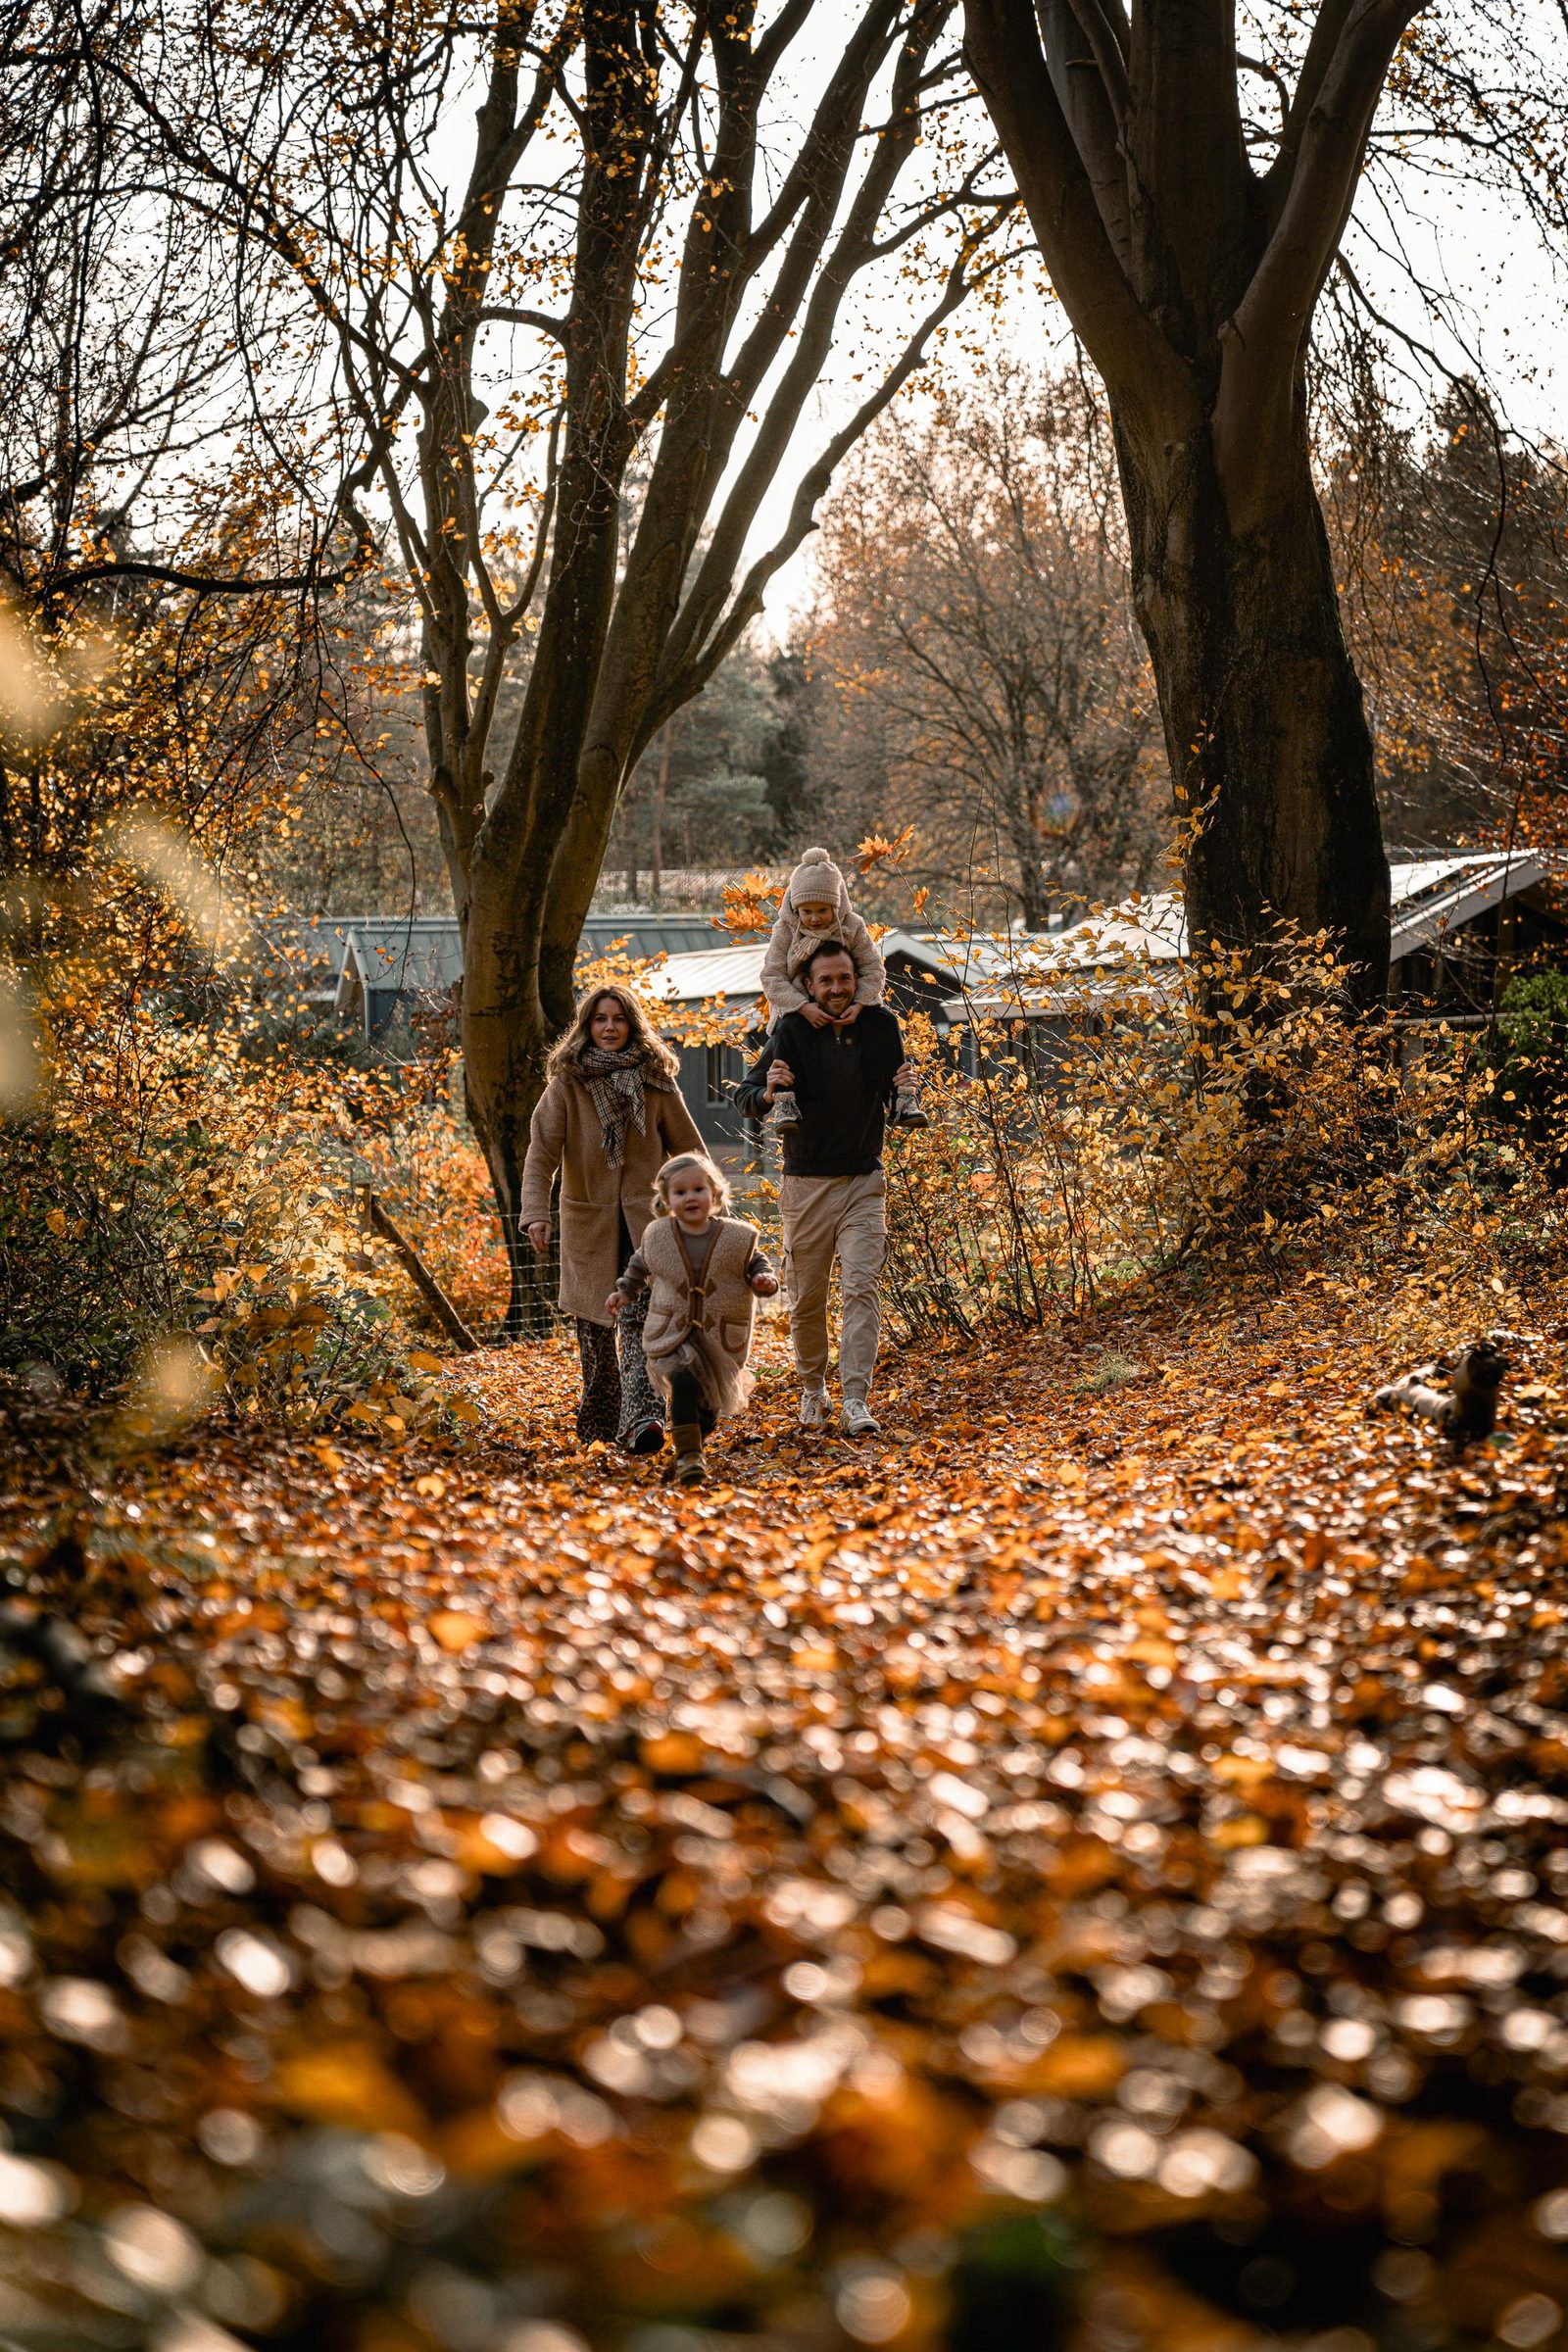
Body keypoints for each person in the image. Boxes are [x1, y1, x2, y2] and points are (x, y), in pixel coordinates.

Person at [736, 938, 914, 1437]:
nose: (837, 989)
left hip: (863, 1180)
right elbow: (744, 1097)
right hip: (805, 1185)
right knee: (807, 1298)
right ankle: (813, 1390)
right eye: (826, 981)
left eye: (844, 978)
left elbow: (898, 1102)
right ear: (808, 986)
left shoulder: (880, 1027)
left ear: (857, 980)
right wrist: (769, 1089)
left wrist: (902, 1085)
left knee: (862, 1288)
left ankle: (856, 1399)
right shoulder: (791, 1030)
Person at [520, 983, 703, 1452]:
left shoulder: (656, 1081)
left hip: (647, 1226)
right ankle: (601, 1423)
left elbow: (690, 1151)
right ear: (587, 1026)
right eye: (600, 1019)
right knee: (597, 1333)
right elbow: (542, 1153)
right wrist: (536, 1213)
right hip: (588, 1226)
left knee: (641, 1323)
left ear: (631, 1025)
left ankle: (644, 1420)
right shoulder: (567, 1083)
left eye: (618, 1019)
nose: (609, 1028)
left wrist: (702, 1209)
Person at [609, 1152, 778, 1488]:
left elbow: (756, 1262)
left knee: (707, 1404)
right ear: (667, 1200)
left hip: (717, 1334)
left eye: (698, 1189)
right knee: (683, 1383)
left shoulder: (735, 1236)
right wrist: (625, 1291)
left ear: (714, 1194)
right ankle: (688, 1457)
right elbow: (640, 1265)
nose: (691, 1197)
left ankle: (697, 1432)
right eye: (681, 1192)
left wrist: (763, 1280)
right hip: (674, 1329)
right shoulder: (658, 1235)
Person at [760, 847, 926, 1131]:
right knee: (788, 1029)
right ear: (794, 907)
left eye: (822, 910)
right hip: (799, 1003)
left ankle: (902, 1098)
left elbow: (874, 969)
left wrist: (861, 1003)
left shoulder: (851, 927)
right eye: (807, 911)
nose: (814, 918)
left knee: (885, 1021)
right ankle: (786, 1101)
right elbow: (772, 976)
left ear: (836, 906)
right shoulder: (786, 930)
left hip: (852, 1003)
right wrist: (802, 1006)